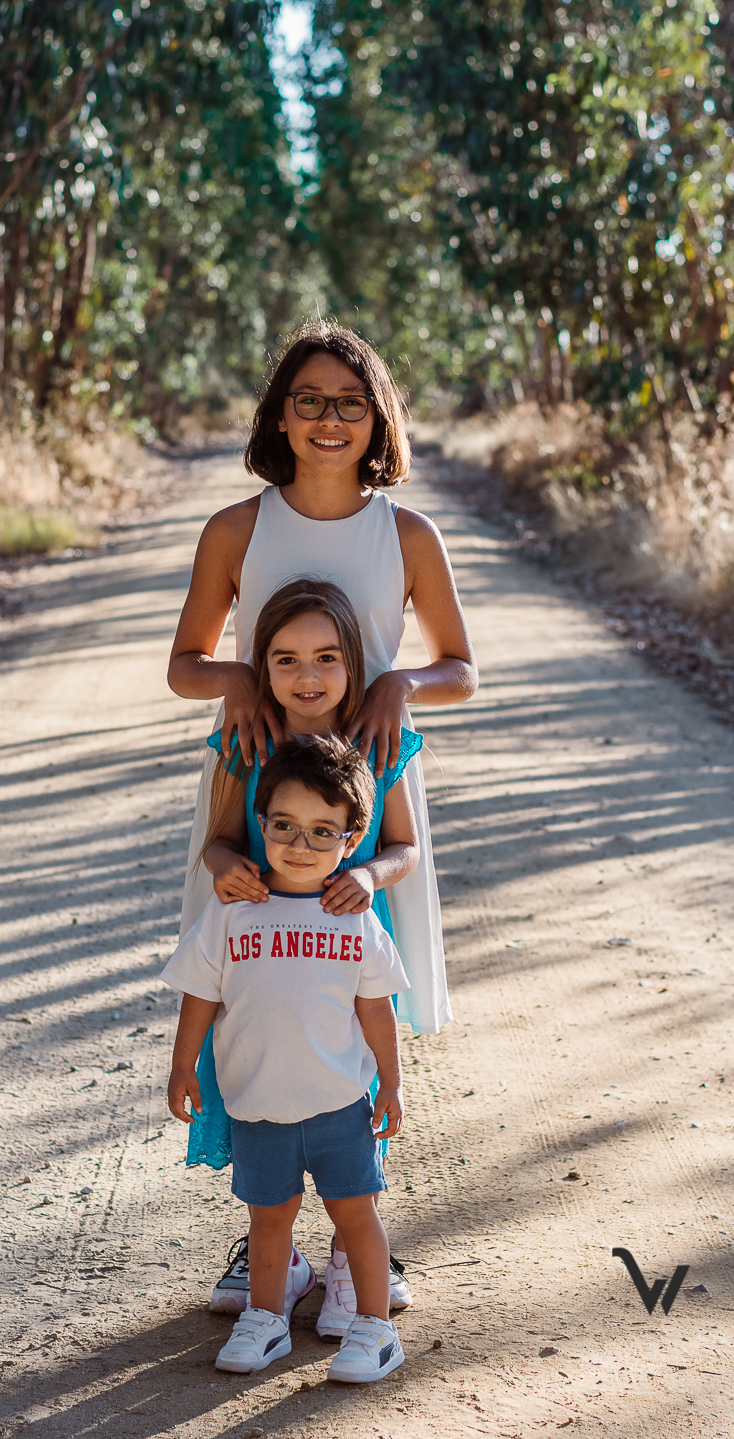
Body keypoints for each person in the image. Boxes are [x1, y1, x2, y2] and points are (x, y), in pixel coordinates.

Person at [168, 317, 478, 1308]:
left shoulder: (407, 533)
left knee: (357, 1001)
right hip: (259, 779)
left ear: (375, 416)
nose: (329, 419)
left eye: (350, 402)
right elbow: (184, 664)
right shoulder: (237, 528)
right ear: (281, 417)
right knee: (255, 1003)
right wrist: (236, 684)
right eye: (308, 400)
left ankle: (356, 1246)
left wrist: (400, 685)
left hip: (365, 788)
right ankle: (267, 1244)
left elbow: (461, 668)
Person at [194, 577, 420, 1337]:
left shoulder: (376, 744)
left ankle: (356, 1264)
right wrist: (223, 862)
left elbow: (405, 847)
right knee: (272, 1083)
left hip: (343, 930)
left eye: (327, 657)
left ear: (353, 663)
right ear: (261, 666)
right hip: (261, 945)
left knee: (347, 1086)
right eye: (285, 660)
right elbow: (218, 839)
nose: (308, 676)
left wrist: (367, 872)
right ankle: (278, 1260)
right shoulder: (245, 743)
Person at [164, 736, 410, 1383]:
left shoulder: (353, 918)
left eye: (322, 831)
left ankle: (375, 1328)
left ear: (352, 839)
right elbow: (200, 995)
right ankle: (267, 1318)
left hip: (338, 1107)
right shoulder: (234, 908)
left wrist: (391, 1083)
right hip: (258, 1105)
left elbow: (376, 1010)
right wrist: (182, 1064)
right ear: (261, 822)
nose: (300, 845)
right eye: (285, 827)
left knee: (356, 1214)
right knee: (268, 1221)